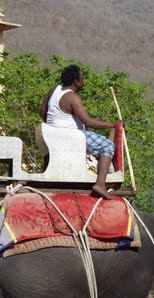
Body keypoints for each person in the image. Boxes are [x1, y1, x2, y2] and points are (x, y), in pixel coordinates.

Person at [40, 64, 121, 199]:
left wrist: (52, 128)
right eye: (82, 79)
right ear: (76, 82)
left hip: (52, 135)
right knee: (107, 146)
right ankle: (100, 184)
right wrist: (113, 124)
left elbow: (43, 111)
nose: (83, 82)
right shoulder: (72, 97)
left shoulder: (53, 90)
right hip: (70, 137)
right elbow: (88, 122)